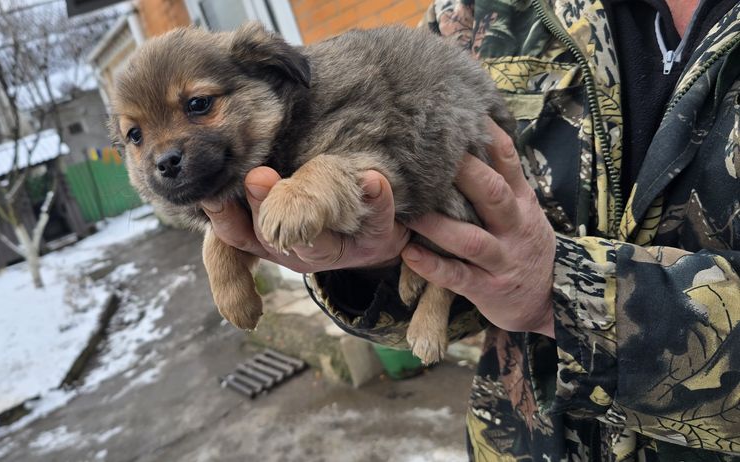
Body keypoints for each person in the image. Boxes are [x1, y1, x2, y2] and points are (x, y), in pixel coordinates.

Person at [201, 0, 740, 459]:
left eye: (201, 106)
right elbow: (392, 166)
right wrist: (379, 260)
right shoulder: (481, 10)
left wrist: (564, 294)